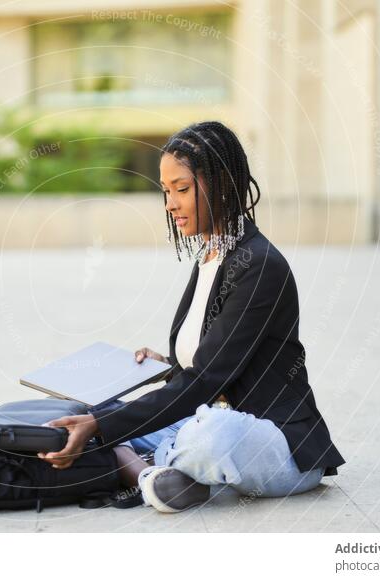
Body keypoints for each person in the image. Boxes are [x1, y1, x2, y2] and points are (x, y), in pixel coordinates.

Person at [37, 120, 346, 513]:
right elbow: (209, 366)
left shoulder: (258, 266)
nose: (170, 204)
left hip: (273, 441)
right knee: (96, 416)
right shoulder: (210, 259)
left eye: (181, 189)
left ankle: (140, 468)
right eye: (166, 191)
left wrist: (106, 428)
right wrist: (170, 364)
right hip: (207, 415)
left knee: (208, 435)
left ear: (220, 184)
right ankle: (157, 472)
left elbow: (208, 379)